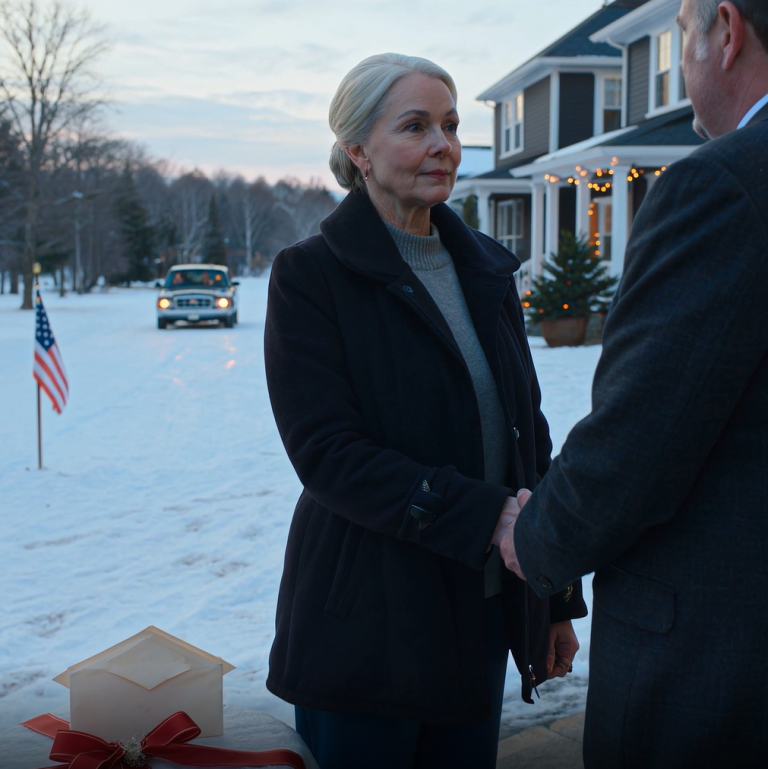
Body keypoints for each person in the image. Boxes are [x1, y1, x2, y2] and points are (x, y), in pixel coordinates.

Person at [264, 53, 586, 769]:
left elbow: (527, 437)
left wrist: (554, 593)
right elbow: (327, 452)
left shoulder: (487, 271)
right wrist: (487, 518)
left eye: (450, 124)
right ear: (357, 150)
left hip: (475, 625)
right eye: (415, 126)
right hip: (364, 633)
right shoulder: (309, 276)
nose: (443, 144)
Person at [497, 1, 768, 766]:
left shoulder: (722, 188)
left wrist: (536, 535)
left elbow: (641, 437)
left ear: (727, 30)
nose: (681, 59)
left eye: (681, 34)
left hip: (719, 661)